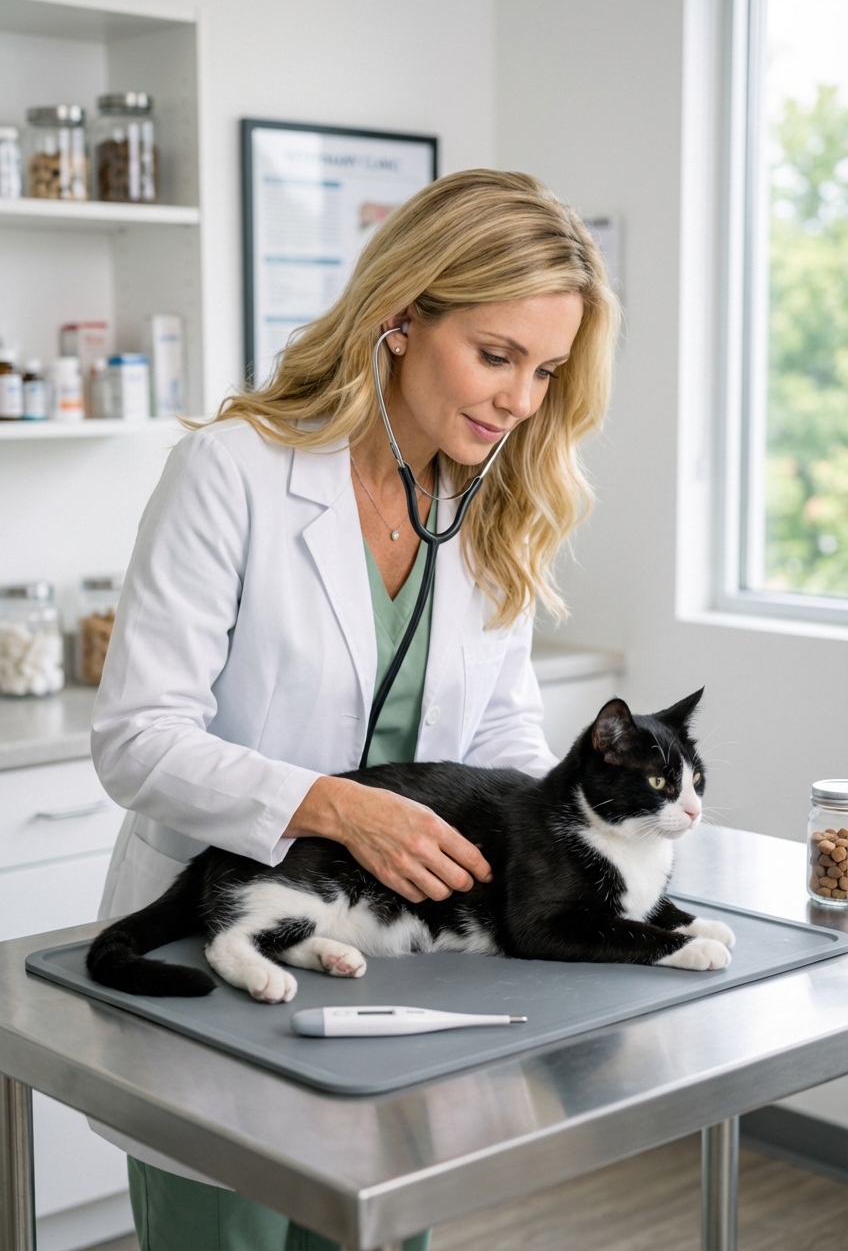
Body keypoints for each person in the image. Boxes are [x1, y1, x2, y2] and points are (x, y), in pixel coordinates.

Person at [90, 169, 619, 1251]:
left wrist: (574, 843)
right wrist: (331, 807)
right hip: (223, 955)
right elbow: (137, 736)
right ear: (399, 316)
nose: (521, 400)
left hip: (395, 967)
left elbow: (502, 743)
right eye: (495, 355)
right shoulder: (232, 470)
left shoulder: (491, 511)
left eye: (547, 370)